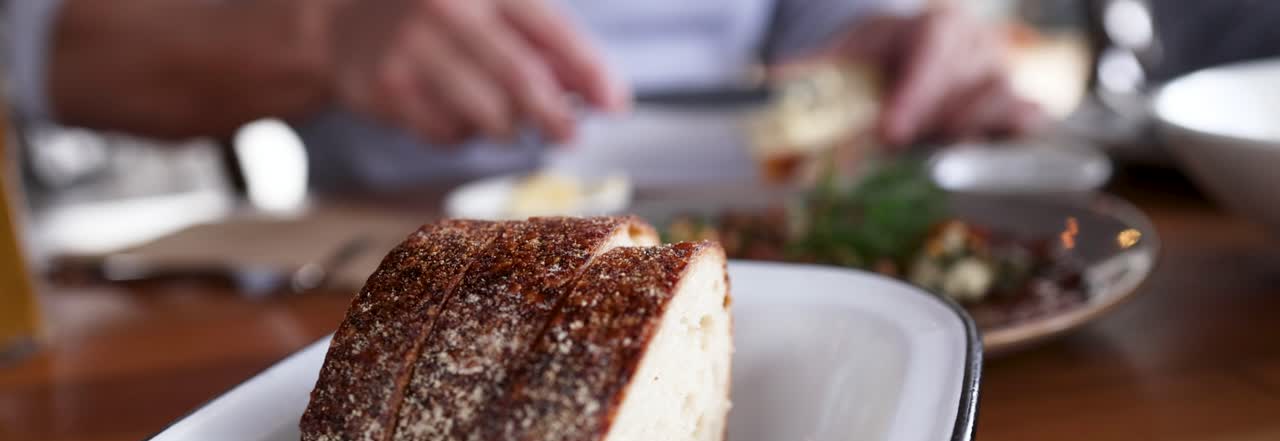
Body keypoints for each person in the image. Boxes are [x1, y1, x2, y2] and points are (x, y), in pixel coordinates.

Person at [4, 0, 1041, 190]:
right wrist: (324, 32)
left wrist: (896, 43)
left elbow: (823, 26)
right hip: (386, 270)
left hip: (767, 240)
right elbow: (41, 48)